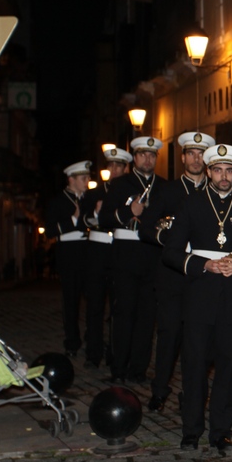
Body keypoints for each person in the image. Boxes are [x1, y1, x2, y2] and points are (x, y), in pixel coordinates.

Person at [162, 144, 232, 454]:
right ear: (209, 172)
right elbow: (171, 252)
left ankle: (221, 431)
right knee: (194, 368)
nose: (224, 176)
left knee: (227, 368)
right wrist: (203, 264)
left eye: (230, 171)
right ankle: (191, 430)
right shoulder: (191, 204)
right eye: (218, 170)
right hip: (199, 298)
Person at [146, 131, 213, 413]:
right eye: (191, 154)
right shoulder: (167, 191)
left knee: (198, 338)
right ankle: (160, 389)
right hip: (173, 274)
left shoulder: (216, 192)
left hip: (204, 276)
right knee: (169, 334)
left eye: (201, 154)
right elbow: (148, 228)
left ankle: (193, 392)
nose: (196, 159)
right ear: (183, 157)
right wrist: (171, 243)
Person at [98, 136, 168, 384]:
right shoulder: (120, 184)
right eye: (142, 155)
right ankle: (119, 368)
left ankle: (138, 369)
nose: (147, 159)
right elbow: (104, 219)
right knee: (123, 313)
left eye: (152, 156)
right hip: (125, 256)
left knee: (147, 316)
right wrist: (129, 212)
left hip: (152, 256)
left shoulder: (163, 186)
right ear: (135, 158)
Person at [82, 147, 131, 369]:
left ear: (125, 168)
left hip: (119, 250)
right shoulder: (94, 193)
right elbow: (82, 221)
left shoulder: (130, 195)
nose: (114, 170)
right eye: (110, 166)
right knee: (95, 306)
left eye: (118, 166)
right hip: (98, 251)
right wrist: (96, 214)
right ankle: (93, 353)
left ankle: (115, 353)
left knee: (118, 307)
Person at [46, 160, 92, 357]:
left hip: (89, 251)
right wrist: (73, 220)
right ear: (71, 179)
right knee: (71, 301)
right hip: (69, 253)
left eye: (88, 177)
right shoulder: (58, 201)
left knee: (93, 300)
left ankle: (93, 340)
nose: (87, 181)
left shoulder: (89, 199)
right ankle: (72, 342)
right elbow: (49, 230)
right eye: (84, 178)